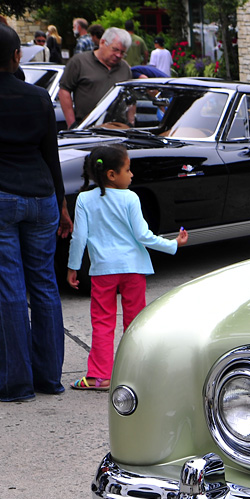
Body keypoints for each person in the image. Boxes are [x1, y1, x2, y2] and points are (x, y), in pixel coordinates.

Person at [66, 145, 187, 390]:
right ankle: (137, 373)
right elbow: (143, 236)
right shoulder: (131, 198)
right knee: (135, 321)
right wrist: (173, 244)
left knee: (102, 321)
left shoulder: (84, 199)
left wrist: (73, 267)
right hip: (133, 269)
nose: (131, 175)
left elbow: (78, 237)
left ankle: (100, 376)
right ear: (112, 174)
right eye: (128, 169)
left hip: (102, 270)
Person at [0, 24, 73, 402]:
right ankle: (49, 378)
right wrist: (61, 203)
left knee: (9, 288)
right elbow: (51, 154)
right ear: (17, 57)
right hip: (42, 195)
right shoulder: (37, 98)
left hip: (3, 197)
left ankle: (16, 383)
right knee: (44, 284)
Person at [58, 27, 132, 128]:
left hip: (118, 129)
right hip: (87, 128)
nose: (118, 55)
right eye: (115, 50)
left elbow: (131, 99)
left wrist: (131, 123)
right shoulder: (79, 62)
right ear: (102, 42)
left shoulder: (124, 67)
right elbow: (64, 91)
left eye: (122, 53)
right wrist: (72, 125)